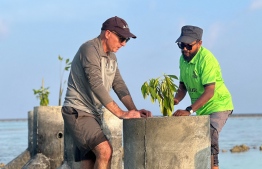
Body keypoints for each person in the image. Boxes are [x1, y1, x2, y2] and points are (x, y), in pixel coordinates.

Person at [61, 16, 152, 169]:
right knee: (105, 151)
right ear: (108, 33)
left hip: (93, 114)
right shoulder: (89, 49)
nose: (123, 44)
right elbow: (96, 84)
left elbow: (119, 85)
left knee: (89, 160)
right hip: (78, 111)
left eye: (126, 40)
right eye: (121, 38)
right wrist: (121, 113)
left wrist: (133, 111)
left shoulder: (112, 58)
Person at [172, 25, 234, 169]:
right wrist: (174, 100)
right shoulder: (183, 59)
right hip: (201, 108)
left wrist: (189, 110)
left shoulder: (207, 60)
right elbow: (182, 87)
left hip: (218, 104)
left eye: (189, 45)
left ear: (199, 43)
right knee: (196, 139)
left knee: (210, 134)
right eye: (181, 45)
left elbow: (209, 92)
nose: (185, 49)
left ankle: (214, 167)